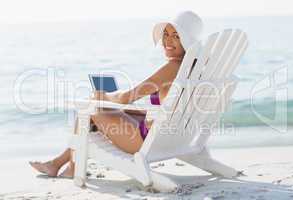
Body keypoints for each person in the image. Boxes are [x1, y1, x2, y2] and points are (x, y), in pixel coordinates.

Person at [29, 11, 203, 178]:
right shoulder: (196, 69)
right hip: (172, 137)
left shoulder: (172, 68)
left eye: (176, 36)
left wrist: (104, 96)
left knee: (90, 109)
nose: (167, 40)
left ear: (187, 42)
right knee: (100, 106)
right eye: (166, 34)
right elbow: (171, 112)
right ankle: (59, 164)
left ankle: (69, 167)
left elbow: (127, 98)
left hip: (147, 142)